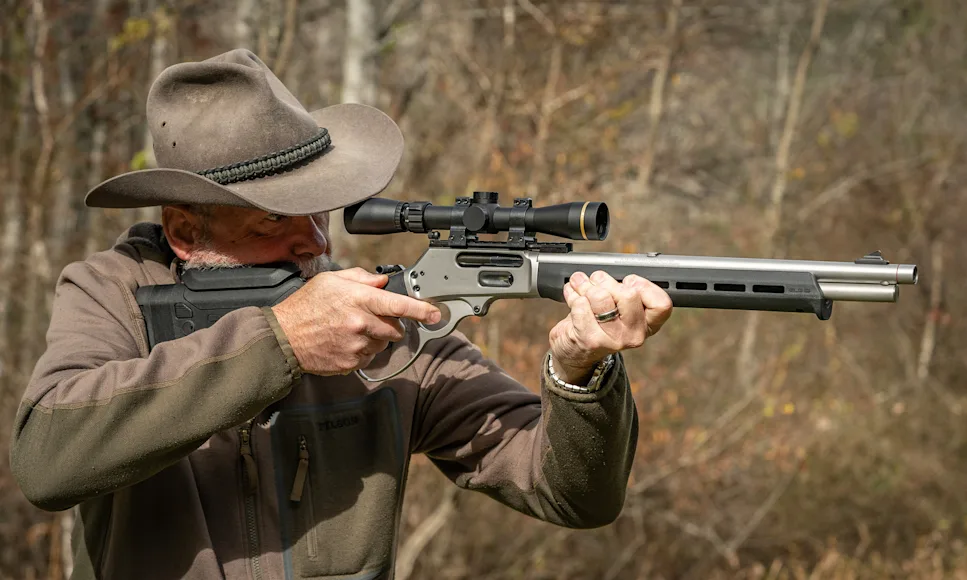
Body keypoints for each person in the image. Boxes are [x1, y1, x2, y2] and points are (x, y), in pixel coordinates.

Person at [10, 49, 672, 580]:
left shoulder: (378, 316)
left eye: (318, 212)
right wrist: (281, 343)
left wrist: (578, 374)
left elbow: (571, 495)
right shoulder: (112, 292)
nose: (314, 243)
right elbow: (45, 461)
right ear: (185, 231)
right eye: (274, 220)